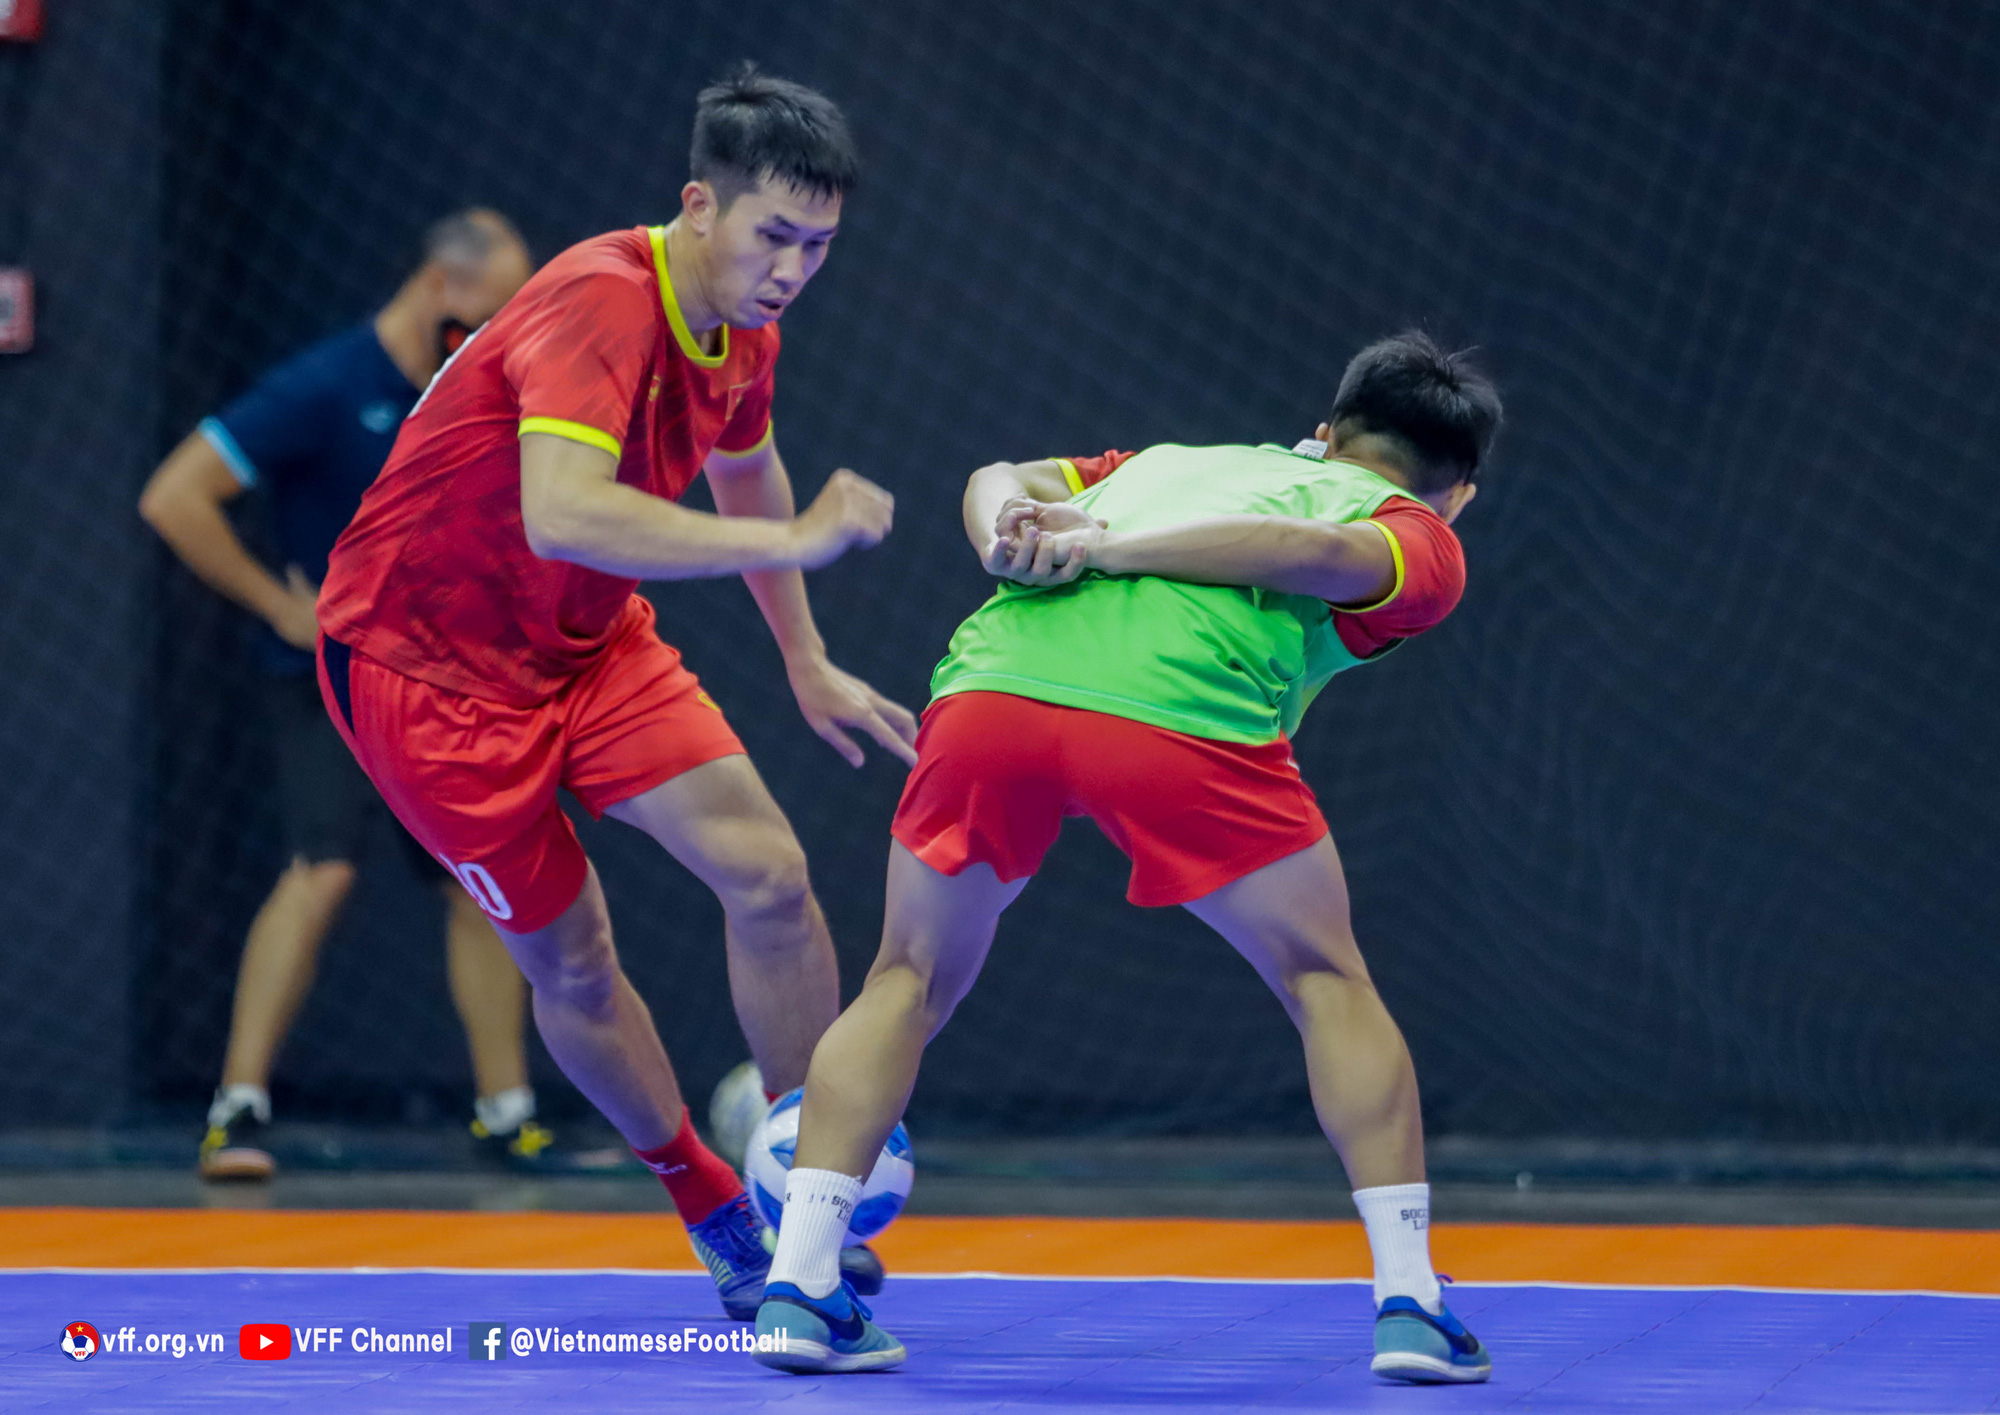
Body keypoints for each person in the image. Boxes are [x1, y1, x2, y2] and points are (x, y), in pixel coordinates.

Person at [754, 332, 1504, 1384]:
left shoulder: (1160, 464)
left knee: (904, 975)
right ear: (1457, 493)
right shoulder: (1422, 535)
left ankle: (797, 1285)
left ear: (1324, 432)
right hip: (1174, 719)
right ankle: (1412, 1303)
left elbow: (996, 476)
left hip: (989, 693)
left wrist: (1009, 530)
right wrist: (1028, 531)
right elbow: (1324, 557)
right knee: (1327, 976)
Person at [313, 66, 914, 1318]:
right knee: (577, 962)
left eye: (819, 244)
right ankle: (707, 1198)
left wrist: (802, 655)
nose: (796, 266)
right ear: (701, 204)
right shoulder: (602, 300)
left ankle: (809, 1200)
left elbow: (748, 476)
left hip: (584, 645)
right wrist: (794, 544)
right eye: (775, 235)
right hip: (424, 674)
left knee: (770, 872)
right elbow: (564, 508)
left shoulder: (747, 323)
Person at [140, 210, 541, 1180]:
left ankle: (507, 1110)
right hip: (328, 678)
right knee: (323, 865)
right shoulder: (326, 385)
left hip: (439, 681)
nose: (504, 331)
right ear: (441, 288)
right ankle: (236, 1109)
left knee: (477, 881)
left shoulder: (468, 395)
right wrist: (278, 601)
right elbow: (174, 495)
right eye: (493, 310)